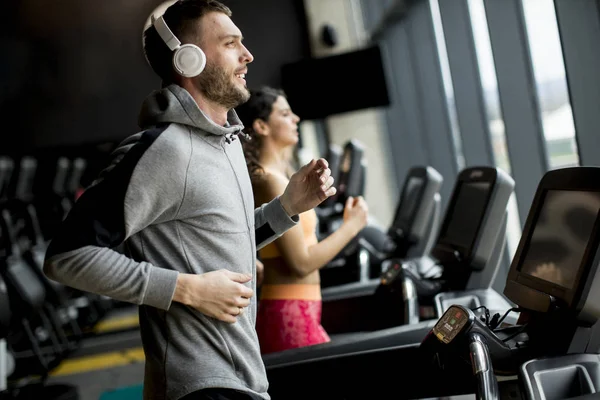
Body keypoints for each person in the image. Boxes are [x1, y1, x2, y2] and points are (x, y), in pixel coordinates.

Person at [42, 2, 336, 400]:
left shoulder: (228, 143)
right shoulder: (162, 151)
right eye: (231, 43)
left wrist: (286, 208)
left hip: (243, 377)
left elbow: (218, 241)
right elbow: (67, 256)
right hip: (200, 387)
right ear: (189, 58)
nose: (248, 55)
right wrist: (187, 289)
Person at [236, 86, 369, 354]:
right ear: (261, 126)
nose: (295, 119)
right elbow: (301, 263)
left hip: (300, 310)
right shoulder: (270, 181)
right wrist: (351, 227)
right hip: (290, 314)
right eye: (285, 114)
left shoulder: (279, 176)